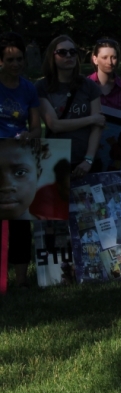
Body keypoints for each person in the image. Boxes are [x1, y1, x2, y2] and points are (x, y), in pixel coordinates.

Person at [0, 32, 40, 287]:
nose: (15, 64)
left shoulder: (29, 88)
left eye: (19, 59)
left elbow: (37, 127)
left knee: (20, 219)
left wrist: (29, 134)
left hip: (18, 157)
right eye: (10, 59)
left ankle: (21, 281)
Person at [37, 36, 104, 179]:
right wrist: (91, 119)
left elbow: (98, 126)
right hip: (56, 160)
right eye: (62, 52)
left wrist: (89, 159)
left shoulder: (89, 85)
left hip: (87, 160)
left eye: (72, 52)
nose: (69, 55)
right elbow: (54, 125)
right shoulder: (42, 87)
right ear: (52, 56)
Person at [89, 38, 121, 111]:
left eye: (114, 57)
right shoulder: (84, 86)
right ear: (95, 59)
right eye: (104, 57)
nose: (110, 62)